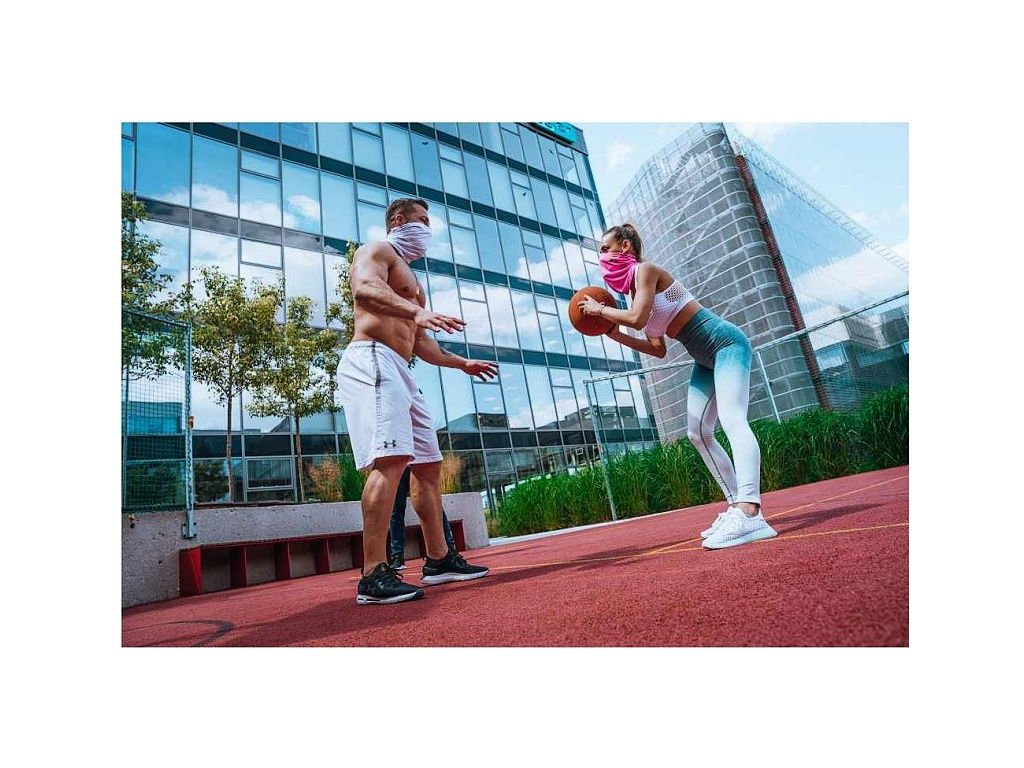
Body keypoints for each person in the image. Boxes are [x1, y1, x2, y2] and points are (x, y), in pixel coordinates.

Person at [337, 197, 498, 605]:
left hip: (402, 369)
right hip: (372, 358)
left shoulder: (414, 281)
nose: (426, 229)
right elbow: (364, 289)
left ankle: (439, 560)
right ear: (398, 221)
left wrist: (462, 363)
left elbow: (422, 343)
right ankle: (373, 574)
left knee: (428, 466)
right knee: (390, 461)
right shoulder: (376, 251)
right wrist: (415, 311)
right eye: (421, 221)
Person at [577, 223, 777, 550]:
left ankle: (750, 511)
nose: (602, 258)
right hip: (704, 358)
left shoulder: (646, 271)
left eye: (605, 249)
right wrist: (616, 335)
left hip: (726, 344)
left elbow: (637, 318)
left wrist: (600, 311)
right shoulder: (633, 293)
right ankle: (735, 506)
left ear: (625, 247)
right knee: (697, 433)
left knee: (732, 419)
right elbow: (657, 349)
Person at [388, 464, 457, 571]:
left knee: (434, 507)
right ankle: (397, 556)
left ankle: (450, 548)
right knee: (396, 511)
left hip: (417, 465)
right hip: (397, 467)